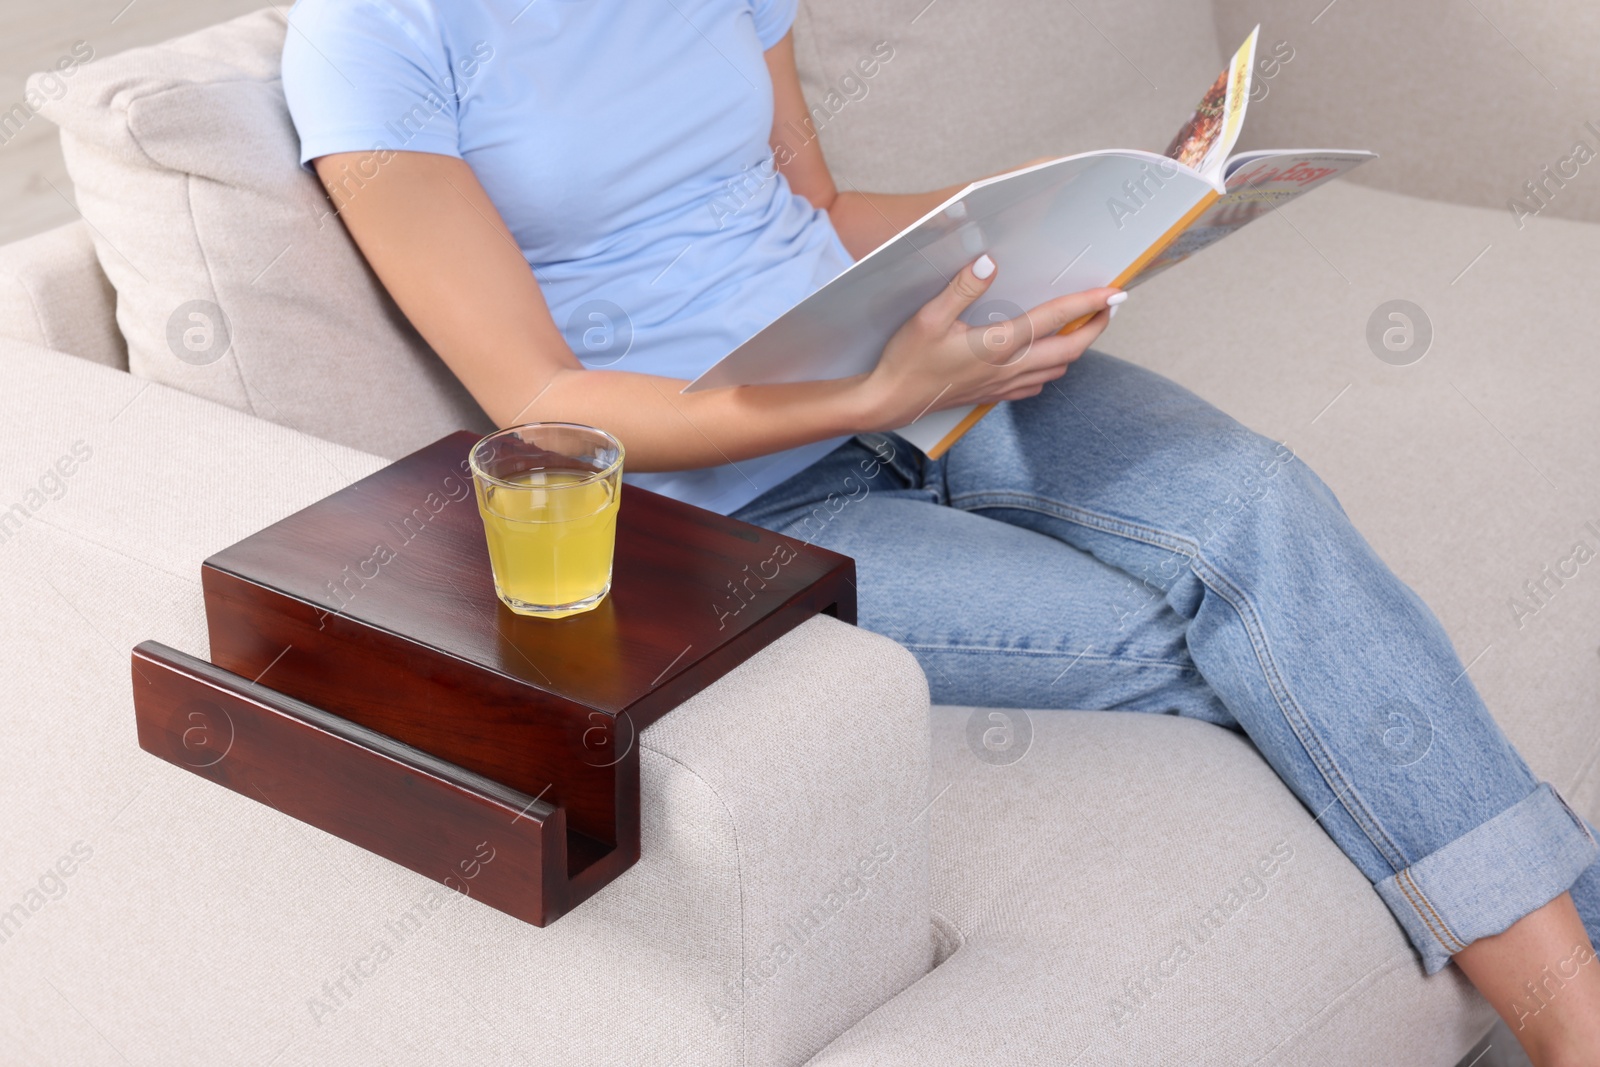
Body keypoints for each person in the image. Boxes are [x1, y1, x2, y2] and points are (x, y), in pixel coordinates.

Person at [280, 1, 1600, 1061]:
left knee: (1262, 504)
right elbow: (542, 398)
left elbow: (810, 213)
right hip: (729, 513)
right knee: (1227, 620)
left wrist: (1044, 234)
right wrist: (868, 396)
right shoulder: (376, 37)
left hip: (931, 382)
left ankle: (1569, 1019)